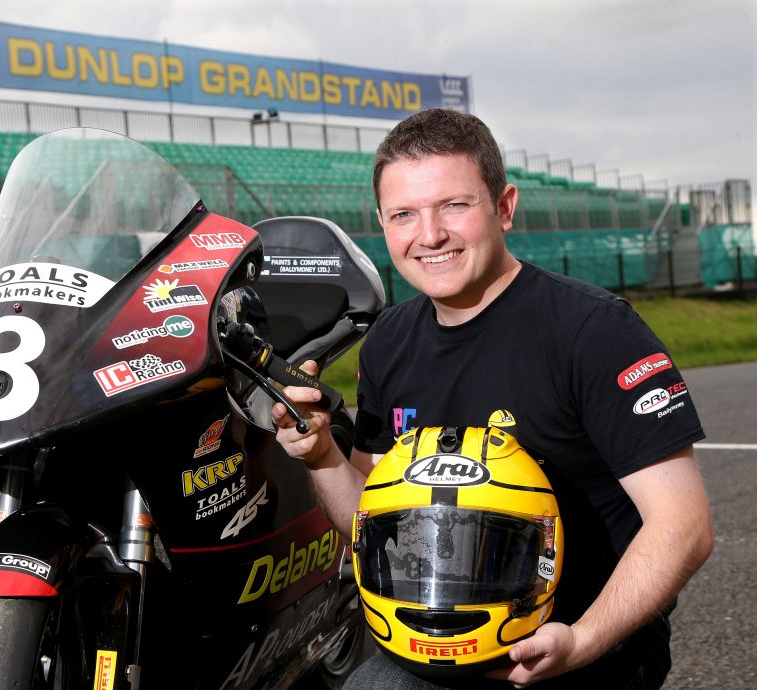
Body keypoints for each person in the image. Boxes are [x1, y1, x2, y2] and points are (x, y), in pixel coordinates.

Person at [272, 108, 714, 689]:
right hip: (437, 642)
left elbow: (684, 526)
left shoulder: (595, 331)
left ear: (504, 206)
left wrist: (582, 640)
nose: (428, 236)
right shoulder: (389, 342)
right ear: (382, 223)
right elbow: (371, 521)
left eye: (454, 205)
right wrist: (322, 456)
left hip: (580, 643)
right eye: (404, 214)